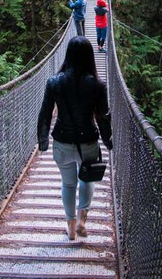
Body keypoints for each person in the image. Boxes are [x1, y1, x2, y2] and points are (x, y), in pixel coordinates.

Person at [37, 36, 112, 240]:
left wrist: (43, 140)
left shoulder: (54, 82)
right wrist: (107, 140)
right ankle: (81, 220)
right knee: (87, 179)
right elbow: (103, 117)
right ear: (90, 56)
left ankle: (70, 227)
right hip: (88, 142)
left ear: (68, 54)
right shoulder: (98, 85)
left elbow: (45, 113)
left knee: (68, 184)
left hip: (62, 143)